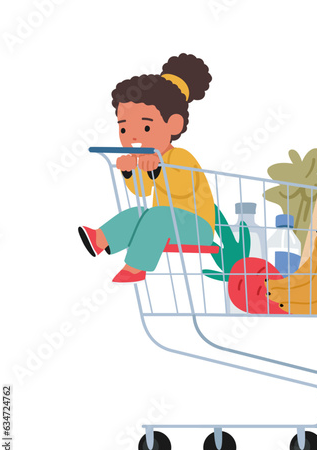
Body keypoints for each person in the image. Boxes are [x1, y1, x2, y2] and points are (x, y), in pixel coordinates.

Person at [79, 54, 215, 283]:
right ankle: (100, 239)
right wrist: (129, 172)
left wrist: (156, 170)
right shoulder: (149, 158)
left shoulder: (180, 156)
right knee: (140, 213)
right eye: (123, 129)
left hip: (197, 227)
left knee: (158, 215)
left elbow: (182, 188)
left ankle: (136, 267)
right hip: (166, 224)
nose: (132, 137)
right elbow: (142, 191)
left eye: (145, 126)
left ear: (173, 124)